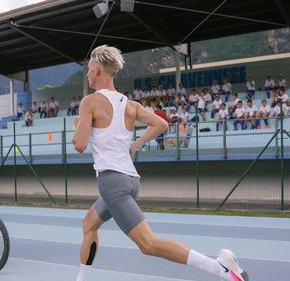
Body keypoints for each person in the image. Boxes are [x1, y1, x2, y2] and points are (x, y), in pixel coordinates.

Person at [72, 45, 248, 281]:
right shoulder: (130, 105)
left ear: (96, 69)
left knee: (148, 244)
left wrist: (79, 126)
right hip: (130, 180)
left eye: (88, 69)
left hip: (112, 182)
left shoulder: (89, 102)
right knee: (89, 224)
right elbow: (162, 125)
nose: (86, 74)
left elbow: (80, 145)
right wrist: (135, 144)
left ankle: (220, 268)